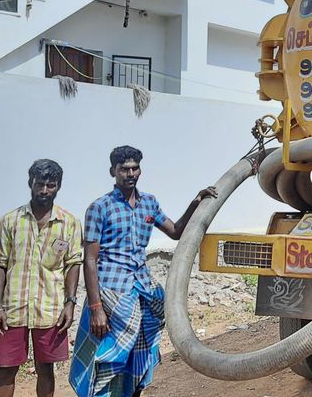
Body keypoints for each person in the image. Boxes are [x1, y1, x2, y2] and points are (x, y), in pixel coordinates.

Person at [69, 145, 216, 397]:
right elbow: (90, 260)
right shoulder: (99, 208)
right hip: (112, 294)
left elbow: (176, 231)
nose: (130, 173)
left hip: (142, 291)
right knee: (109, 357)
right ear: (112, 172)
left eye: (135, 168)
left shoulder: (149, 203)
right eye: (124, 169)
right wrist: (96, 309)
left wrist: (196, 202)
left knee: (139, 357)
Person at [0, 159, 83, 397]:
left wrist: (70, 304)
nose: (44, 190)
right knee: (7, 370)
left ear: (58, 186)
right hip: (12, 310)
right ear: (30, 183)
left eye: (51, 185)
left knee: (45, 368)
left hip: (50, 308)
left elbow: (73, 263)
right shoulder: (10, 221)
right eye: (40, 184)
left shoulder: (69, 223)